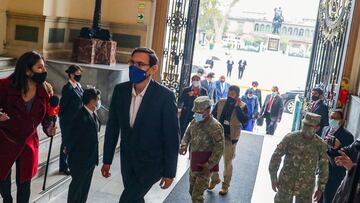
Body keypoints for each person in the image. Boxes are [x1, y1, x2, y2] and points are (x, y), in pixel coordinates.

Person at [101, 47, 180, 203]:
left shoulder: (165, 96)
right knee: (135, 200)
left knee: (126, 200)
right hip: (127, 161)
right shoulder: (120, 91)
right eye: (132, 63)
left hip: (152, 164)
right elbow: (112, 128)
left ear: (153, 69)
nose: (134, 67)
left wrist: (170, 172)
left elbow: (172, 137)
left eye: (140, 64)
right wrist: (107, 160)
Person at [0, 51, 57, 203]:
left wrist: (49, 128)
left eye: (44, 67)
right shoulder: (4, 86)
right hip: (5, 141)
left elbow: (46, 118)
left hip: (28, 143)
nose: (44, 71)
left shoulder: (45, 90)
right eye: (39, 68)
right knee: (3, 181)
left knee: (24, 185)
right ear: (27, 70)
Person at [269, 112, 329, 203]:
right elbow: (276, 157)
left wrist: (320, 188)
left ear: (317, 128)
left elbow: (324, 167)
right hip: (286, 183)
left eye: (310, 126)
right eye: (305, 124)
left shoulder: (320, 144)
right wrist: (273, 177)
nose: (306, 127)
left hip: (306, 187)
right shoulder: (290, 138)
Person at [179, 96, 224, 203]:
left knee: (196, 196)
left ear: (208, 110)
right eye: (195, 111)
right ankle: (215, 179)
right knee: (191, 190)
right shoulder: (195, 121)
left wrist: (209, 165)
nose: (196, 114)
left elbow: (219, 148)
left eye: (199, 112)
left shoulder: (215, 127)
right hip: (194, 162)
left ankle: (213, 178)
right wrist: (184, 144)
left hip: (205, 166)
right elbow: (188, 134)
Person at [210, 85, 248, 195]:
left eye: (233, 93)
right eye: (229, 92)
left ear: (237, 94)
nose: (230, 94)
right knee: (212, 160)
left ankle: (225, 186)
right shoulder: (221, 102)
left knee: (227, 162)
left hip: (230, 139)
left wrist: (237, 107)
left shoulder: (242, 105)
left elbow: (245, 120)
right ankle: (214, 179)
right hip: (217, 136)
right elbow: (212, 115)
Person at [67, 88, 101, 203]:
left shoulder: (92, 113)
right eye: (98, 100)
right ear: (92, 101)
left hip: (90, 159)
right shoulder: (80, 116)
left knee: (84, 189)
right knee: (76, 190)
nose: (99, 102)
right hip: (80, 161)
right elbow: (72, 139)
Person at [319, 110, 354, 203]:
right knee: (319, 197)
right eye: (331, 117)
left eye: (335, 118)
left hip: (335, 174)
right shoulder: (325, 129)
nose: (332, 120)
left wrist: (337, 147)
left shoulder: (348, 136)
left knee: (329, 198)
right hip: (322, 171)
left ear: (342, 121)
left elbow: (346, 155)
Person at [58, 64, 84, 175]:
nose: (79, 76)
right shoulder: (68, 88)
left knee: (73, 142)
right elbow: (63, 106)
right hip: (67, 120)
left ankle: (70, 163)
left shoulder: (78, 85)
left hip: (76, 120)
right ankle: (63, 166)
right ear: (71, 75)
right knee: (66, 143)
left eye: (80, 74)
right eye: (77, 74)